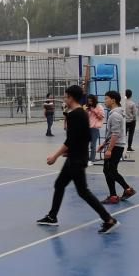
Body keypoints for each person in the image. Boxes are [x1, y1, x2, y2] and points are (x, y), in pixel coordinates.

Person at [37, 85, 117, 233]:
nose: (64, 99)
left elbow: (70, 140)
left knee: (83, 191)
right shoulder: (82, 113)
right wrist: (72, 150)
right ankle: (52, 216)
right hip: (76, 157)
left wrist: (55, 156)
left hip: (76, 159)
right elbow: (85, 137)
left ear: (71, 97)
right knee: (60, 184)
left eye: (65, 97)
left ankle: (108, 219)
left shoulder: (75, 115)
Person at [98, 90, 136, 205]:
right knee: (109, 170)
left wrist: (109, 149)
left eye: (106, 99)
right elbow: (112, 133)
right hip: (115, 145)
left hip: (115, 147)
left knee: (110, 170)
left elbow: (115, 134)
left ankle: (119, 193)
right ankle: (119, 193)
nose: (105, 101)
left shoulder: (115, 115)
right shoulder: (115, 113)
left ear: (113, 100)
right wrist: (104, 144)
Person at [85, 95, 104, 165]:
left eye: (91, 101)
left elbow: (101, 117)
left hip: (95, 128)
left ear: (94, 100)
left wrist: (93, 110)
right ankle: (86, 159)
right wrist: (85, 111)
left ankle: (92, 160)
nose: (90, 102)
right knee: (85, 145)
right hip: (87, 128)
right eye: (88, 101)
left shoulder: (99, 106)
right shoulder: (87, 107)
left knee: (93, 145)